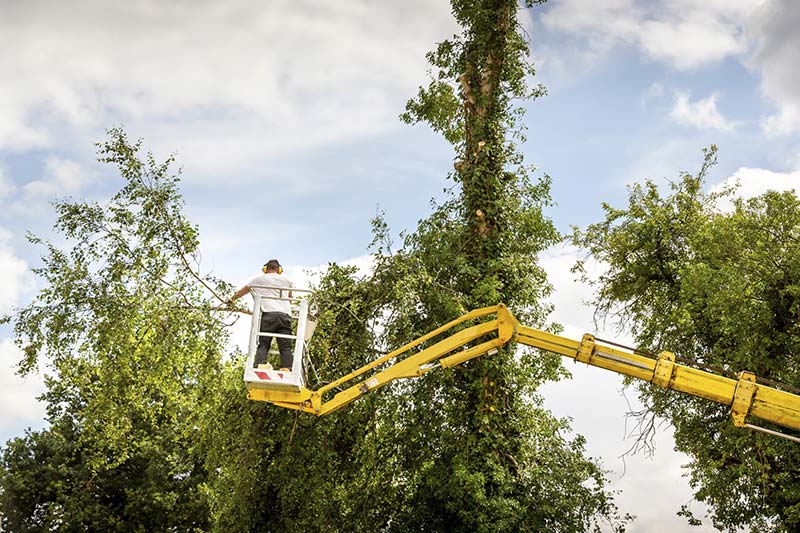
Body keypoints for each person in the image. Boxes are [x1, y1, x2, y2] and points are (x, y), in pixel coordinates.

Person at [231, 259, 294, 371]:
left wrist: (230, 300)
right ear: (279, 270)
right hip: (285, 316)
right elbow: (290, 299)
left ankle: (260, 366)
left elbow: (243, 291)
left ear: (265, 269)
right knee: (285, 346)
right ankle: (287, 368)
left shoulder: (258, 279)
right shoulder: (286, 280)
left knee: (264, 344)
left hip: (269, 315)